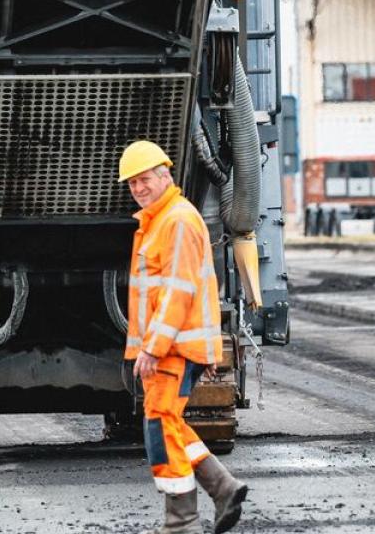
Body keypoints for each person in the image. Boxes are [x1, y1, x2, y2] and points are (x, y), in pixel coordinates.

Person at [120, 140, 247, 534]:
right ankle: (222, 488)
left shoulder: (175, 221)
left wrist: (153, 348)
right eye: (132, 183)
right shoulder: (160, 221)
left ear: (165, 176)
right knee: (170, 422)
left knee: (159, 425)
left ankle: (182, 522)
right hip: (175, 345)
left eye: (144, 180)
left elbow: (178, 293)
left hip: (172, 347)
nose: (138, 188)